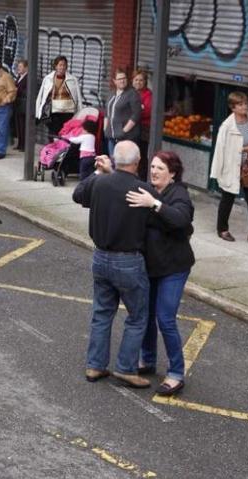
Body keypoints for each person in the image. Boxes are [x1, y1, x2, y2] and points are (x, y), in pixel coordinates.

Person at [72, 141, 156, 388]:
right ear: (138, 162)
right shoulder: (141, 190)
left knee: (102, 312)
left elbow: (78, 194)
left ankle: (95, 365)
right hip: (128, 260)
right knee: (138, 316)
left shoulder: (99, 183)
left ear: (115, 160)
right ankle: (126, 368)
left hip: (100, 256)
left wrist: (99, 172)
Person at [126, 151, 195, 396]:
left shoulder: (179, 193)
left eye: (160, 168)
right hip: (151, 266)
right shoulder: (148, 189)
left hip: (174, 268)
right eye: (152, 167)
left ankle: (176, 373)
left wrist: (154, 205)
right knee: (146, 314)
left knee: (165, 318)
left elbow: (181, 219)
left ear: (173, 173)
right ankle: (148, 359)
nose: (154, 171)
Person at [210, 91, 248, 245]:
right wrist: (245, 149)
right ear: (233, 107)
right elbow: (222, 149)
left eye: (246, 103)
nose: (245, 107)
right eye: (240, 104)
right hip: (233, 167)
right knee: (227, 199)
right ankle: (222, 229)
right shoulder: (227, 126)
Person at [35, 55, 82, 138]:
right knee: (53, 133)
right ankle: (53, 149)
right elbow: (41, 96)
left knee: (64, 133)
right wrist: (38, 112)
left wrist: (80, 113)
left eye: (64, 65)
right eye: (60, 65)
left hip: (67, 112)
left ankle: (61, 149)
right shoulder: (48, 78)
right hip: (52, 111)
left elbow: (78, 97)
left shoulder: (73, 79)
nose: (62, 67)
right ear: (56, 66)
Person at [104, 69, 142, 159]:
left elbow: (136, 115)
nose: (122, 80)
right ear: (114, 81)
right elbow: (107, 113)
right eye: (119, 79)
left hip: (126, 137)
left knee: (123, 162)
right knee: (113, 162)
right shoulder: (111, 94)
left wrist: (124, 131)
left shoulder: (132, 94)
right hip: (111, 136)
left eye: (124, 78)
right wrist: (105, 129)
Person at [133, 69, 152, 176]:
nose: (138, 82)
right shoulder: (130, 93)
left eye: (141, 80)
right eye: (136, 80)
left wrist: (134, 112)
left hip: (143, 129)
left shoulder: (148, 95)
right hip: (131, 129)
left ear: (145, 82)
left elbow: (147, 111)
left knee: (142, 155)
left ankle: (142, 178)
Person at [14, 59, 29, 151]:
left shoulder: (28, 77)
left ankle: (24, 145)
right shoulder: (20, 76)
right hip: (18, 104)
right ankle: (20, 144)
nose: (18, 68)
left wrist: (16, 90)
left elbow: (26, 91)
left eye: (20, 67)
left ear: (26, 67)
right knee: (19, 125)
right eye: (18, 66)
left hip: (23, 105)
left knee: (23, 126)